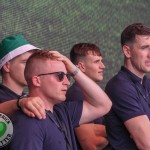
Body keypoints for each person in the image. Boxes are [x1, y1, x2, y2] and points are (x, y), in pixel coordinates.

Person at [9, 50, 112, 150]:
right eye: (60, 76)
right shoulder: (28, 122)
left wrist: (73, 69)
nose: (67, 82)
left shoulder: (62, 111)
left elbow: (104, 104)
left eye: (67, 76)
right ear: (37, 80)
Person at [105, 23, 150, 150]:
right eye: (144, 48)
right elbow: (147, 143)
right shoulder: (119, 86)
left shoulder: (146, 83)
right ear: (127, 51)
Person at [66, 43, 111, 150]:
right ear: (81, 66)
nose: (103, 66)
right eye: (96, 61)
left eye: (101, 60)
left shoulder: (86, 93)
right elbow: (92, 145)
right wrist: (124, 133)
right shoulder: (77, 93)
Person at [0, 34, 46, 119]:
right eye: (25, 62)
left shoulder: (28, 98)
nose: (31, 67)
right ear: (7, 66)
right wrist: (18, 103)